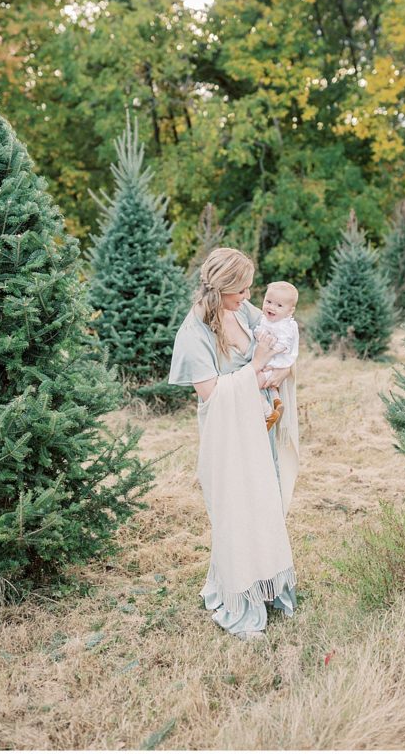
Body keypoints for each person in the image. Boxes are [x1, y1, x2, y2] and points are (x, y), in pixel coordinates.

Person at [168, 247, 300, 641]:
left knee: (264, 505)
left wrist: (279, 365)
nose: (248, 297)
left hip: (258, 427)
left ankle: (268, 587)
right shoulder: (194, 333)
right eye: (240, 290)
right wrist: (258, 368)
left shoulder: (244, 313)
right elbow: (210, 394)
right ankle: (240, 600)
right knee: (235, 513)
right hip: (225, 436)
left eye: (249, 289)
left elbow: (280, 337)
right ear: (222, 287)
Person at [254, 280, 300, 430]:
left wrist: (269, 350)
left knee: (252, 385)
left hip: (273, 365)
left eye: (279, 305)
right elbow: (259, 329)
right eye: (268, 301)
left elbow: (284, 345)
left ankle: (268, 413)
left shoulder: (284, 326)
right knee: (267, 385)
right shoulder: (268, 319)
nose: (271, 307)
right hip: (268, 362)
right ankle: (276, 400)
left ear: (290, 311)